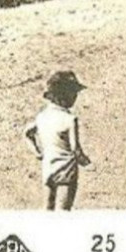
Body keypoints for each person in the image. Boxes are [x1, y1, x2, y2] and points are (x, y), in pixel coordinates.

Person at [25, 70, 90, 210]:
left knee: (48, 207)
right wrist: (86, 163)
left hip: (48, 167)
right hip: (66, 170)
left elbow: (27, 134)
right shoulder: (70, 119)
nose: (76, 97)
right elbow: (75, 149)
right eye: (74, 93)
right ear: (66, 96)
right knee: (63, 210)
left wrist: (37, 152)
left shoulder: (42, 117)